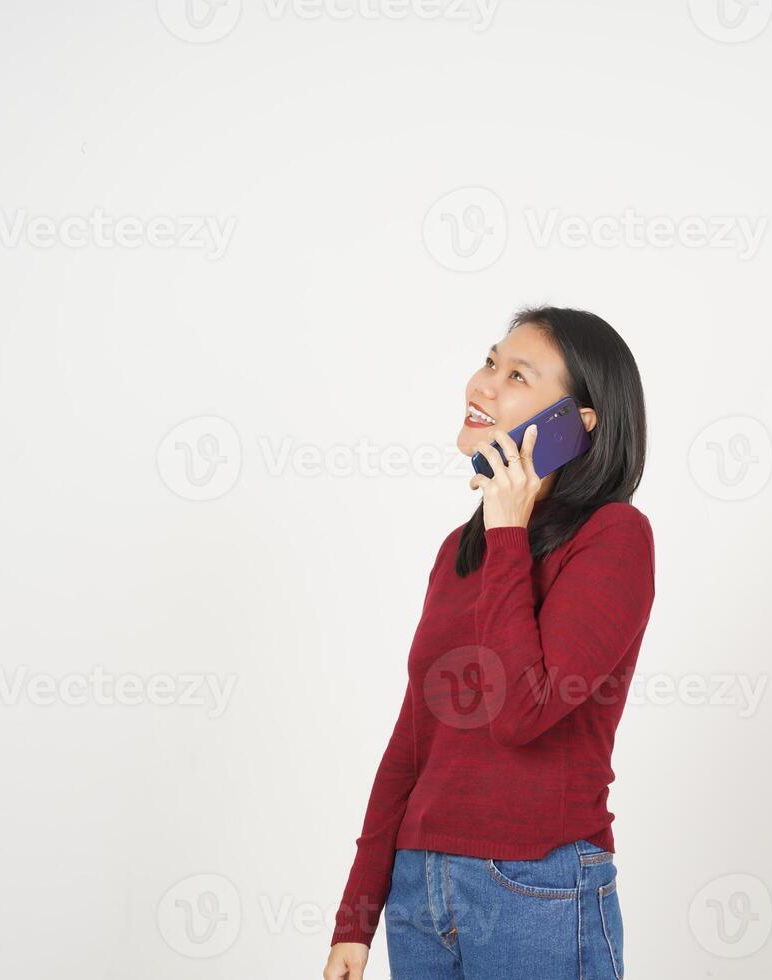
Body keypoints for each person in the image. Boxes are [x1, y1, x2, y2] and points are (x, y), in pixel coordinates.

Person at [323, 306, 655, 980]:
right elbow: (414, 739)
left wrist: (508, 532)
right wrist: (357, 915)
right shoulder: (459, 552)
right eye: (489, 362)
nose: (482, 384)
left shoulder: (614, 538)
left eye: (516, 374)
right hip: (420, 889)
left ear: (577, 421)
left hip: (534, 884)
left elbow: (522, 713)